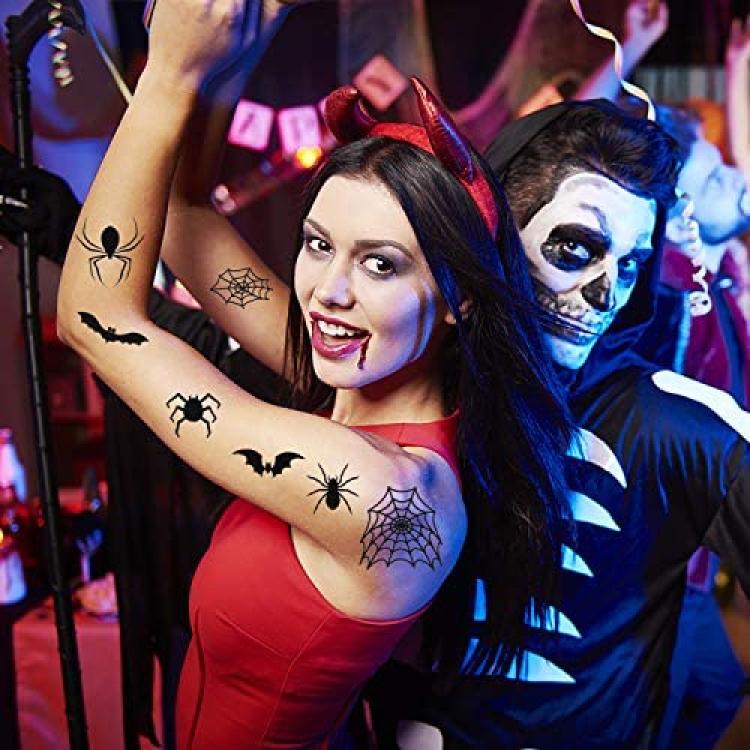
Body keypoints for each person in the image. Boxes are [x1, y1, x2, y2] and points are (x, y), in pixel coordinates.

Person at [55, 0, 574, 747]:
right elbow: (186, 216)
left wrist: (169, 71)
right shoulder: (358, 379)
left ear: (459, 296)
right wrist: (241, 43)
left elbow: (93, 318)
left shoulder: (380, 489)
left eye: (380, 264)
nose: (328, 292)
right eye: (318, 243)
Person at [366, 99, 750, 749]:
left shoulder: (668, 422)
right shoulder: (395, 368)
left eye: (629, 264)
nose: (606, 294)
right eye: (576, 248)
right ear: (495, 234)